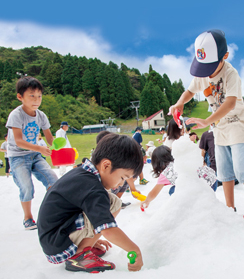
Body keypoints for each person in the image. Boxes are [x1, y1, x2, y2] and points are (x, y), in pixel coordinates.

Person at [170, 29, 244, 221]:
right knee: (224, 169)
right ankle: (230, 207)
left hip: (237, 123)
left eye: (210, 65)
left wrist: (207, 121)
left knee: (242, 167)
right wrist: (180, 102)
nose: (206, 71)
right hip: (220, 126)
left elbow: (230, 103)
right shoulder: (203, 73)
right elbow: (189, 91)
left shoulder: (231, 74)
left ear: (225, 56)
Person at [37, 134, 144, 273]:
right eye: (122, 177)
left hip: (54, 237)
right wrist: (134, 249)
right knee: (109, 204)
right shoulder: (93, 188)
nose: (121, 184)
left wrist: (90, 239)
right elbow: (108, 230)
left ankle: (83, 246)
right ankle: (80, 255)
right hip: (58, 243)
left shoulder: (84, 173)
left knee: (113, 201)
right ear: (106, 165)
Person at [5, 76, 58, 230]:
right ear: (20, 97)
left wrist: (57, 147)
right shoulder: (16, 115)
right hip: (17, 156)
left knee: (53, 179)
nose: (37, 100)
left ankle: (54, 213)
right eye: (32, 96)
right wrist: (40, 149)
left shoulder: (41, 115)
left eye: (39, 96)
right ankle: (28, 218)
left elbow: (49, 137)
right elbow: (19, 141)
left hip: (34, 155)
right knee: (27, 187)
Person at [140, 146, 217, 210]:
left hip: (202, 187)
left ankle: (192, 206)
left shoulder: (165, 174)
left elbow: (154, 193)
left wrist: (146, 201)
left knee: (172, 191)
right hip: (213, 181)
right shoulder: (180, 161)